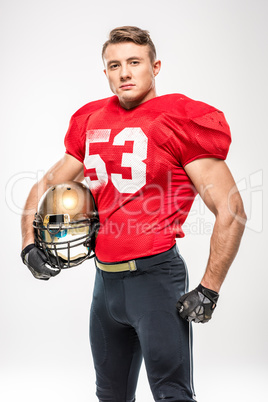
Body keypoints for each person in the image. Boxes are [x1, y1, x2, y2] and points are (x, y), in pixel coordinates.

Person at [21, 26, 247, 402]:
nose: (124, 72)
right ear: (105, 72)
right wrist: (28, 244)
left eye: (134, 62)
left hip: (156, 281)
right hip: (104, 285)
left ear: (154, 66)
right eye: (114, 65)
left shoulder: (180, 118)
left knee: (172, 395)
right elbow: (45, 182)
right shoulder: (91, 118)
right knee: (109, 395)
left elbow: (231, 208)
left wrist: (210, 288)